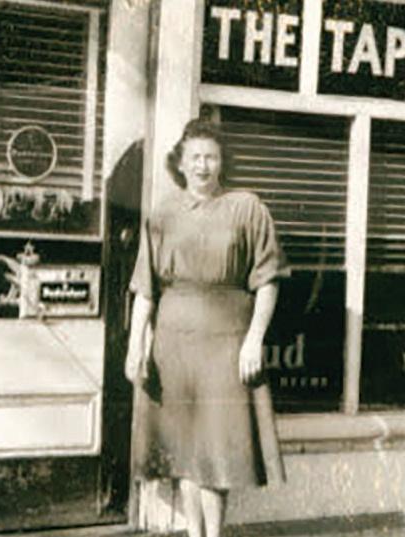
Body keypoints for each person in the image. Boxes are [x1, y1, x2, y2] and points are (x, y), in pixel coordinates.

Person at [125, 119, 286, 537]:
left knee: (216, 452)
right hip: (173, 347)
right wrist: (135, 345)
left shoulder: (247, 208)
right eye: (194, 157)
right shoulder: (162, 214)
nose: (202, 166)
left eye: (211, 157)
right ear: (180, 163)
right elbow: (145, 289)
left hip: (225, 346)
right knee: (185, 453)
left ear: (222, 162)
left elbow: (268, 281)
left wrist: (254, 339)